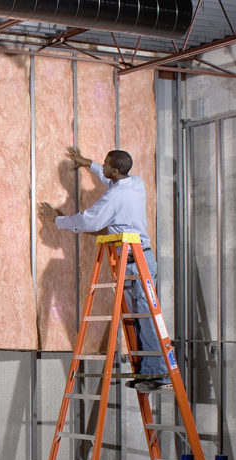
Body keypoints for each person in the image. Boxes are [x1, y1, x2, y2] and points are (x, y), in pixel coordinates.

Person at [38, 147, 171, 393]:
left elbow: (88, 221)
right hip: (136, 259)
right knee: (137, 317)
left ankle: (159, 373)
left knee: (145, 315)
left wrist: (58, 219)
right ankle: (147, 370)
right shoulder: (135, 183)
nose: (104, 166)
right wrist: (89, 164)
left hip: (135, 261)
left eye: (107, 164)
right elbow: (108, 179)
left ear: (116, 170)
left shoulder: (114, 198)